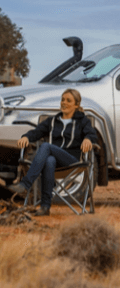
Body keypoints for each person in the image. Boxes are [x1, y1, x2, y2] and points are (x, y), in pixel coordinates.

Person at [8, 88, 98, 216]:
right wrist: (26, 137)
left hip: (72, 161)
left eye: (68, 100)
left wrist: (88, 139)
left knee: (46, 146)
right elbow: (36, 132)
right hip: (55, 163)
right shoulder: (52, 121)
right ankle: (45, 207)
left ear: (76, 105)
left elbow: (92, 134)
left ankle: (25, 184)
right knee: (49, 160)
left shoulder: (83, 121)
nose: (64, 103)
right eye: (62, 100)